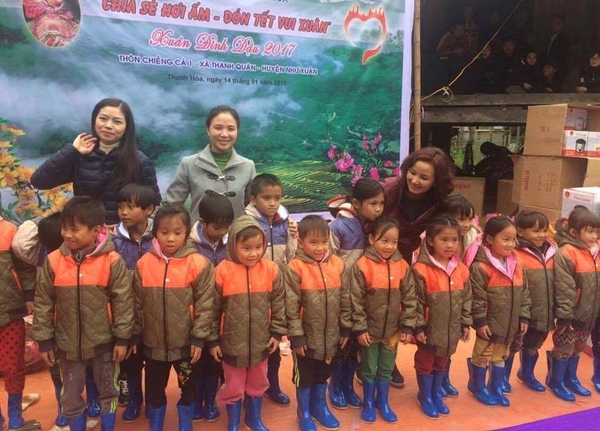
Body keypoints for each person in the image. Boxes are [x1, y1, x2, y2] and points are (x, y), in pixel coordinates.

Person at [32, 196, 134, 431]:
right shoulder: (53, 261)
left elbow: (123, 302)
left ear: (96, 230)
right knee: (70, 395)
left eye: (74, 229)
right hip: (67, 347)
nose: (67, 234)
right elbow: (43, 302)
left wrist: (122, 339)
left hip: (104, 345)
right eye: (64, 228)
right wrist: (45, 341)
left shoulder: (112, 261)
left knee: (108, 391)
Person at [12, 212, 101, 431]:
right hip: (56, 327)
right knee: (56, 369)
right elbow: (20, 243)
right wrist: (45, 217)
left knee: (90, 365)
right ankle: (63, 408)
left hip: (85, 325)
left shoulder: (86, 258)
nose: (68, 236)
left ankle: (93, 400)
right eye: (64, 230)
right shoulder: (42, 257)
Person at [133, 204, 214, 431]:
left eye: (177, 233)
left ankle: (185, 423)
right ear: (155, 232)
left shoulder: (199, 264)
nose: (170, 238)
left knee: (188, 387)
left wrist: (198, 338)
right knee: (154, 389)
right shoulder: (143, 264)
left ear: (187, 232)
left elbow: (206, 305)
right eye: (164, 232)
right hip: (153, 346)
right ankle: (156, 424)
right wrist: (135, 335)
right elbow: (136, 303)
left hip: (187, 348)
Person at [208, 215, 286, 431]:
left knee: (258, 382)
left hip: (262, 343)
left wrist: (277, 333)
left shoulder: (271, 269)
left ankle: (253, 418)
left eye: (258, 247)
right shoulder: (222, 271)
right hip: (231, 344)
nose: (253, 253)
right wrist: (213, 341)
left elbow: (279, 304)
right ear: (233, 246)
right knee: (233, 385)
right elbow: (212, 310)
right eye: (246, 248)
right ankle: (233, 422)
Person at [30, 98, 160, 225]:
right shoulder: (80, 155)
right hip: (83, 230)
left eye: (117, 122)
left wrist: (122, 229)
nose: (108, 126)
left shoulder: (139, 161)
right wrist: (72, 151)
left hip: (121, 233)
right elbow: (39, 181)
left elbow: (153, 204)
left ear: (126, 127)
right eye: (103, 119)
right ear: (94, 120)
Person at [285, 215, 352, 431]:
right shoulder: (295, 268)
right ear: (300, 241)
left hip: (331, 336)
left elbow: (345, 299)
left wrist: (345, 328)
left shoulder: (338, 265)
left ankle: (320, 407)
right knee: (305, 377)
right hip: (305, 338)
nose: (320, 247)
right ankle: (304, 412)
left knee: (323, 374)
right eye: (313, 242)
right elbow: (291, 307)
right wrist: (296, 336)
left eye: (324, 241)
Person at [350, 216, 416, 424]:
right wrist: (360, 329)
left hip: (393, 332)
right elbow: (355, 301)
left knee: (386, 368)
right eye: (384, 240)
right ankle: (369, 402)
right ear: (371, 239)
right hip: (369, 332)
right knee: (368, 368)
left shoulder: (402, 266)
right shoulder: (362, 266)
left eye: (394, 242)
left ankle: (383, 402)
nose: (389, 246)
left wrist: (407, 326)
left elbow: (410, 298)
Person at [326, 179, 384, 405]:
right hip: (342, 296)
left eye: (381, 203)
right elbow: (327, 262)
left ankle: (348, 385)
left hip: (363, 296)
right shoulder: (338, 227)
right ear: (357, 204)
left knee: (356, 345)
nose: (378, 209)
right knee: (341, 343)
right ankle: (335, 385)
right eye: (373, 204)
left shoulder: (373, 227)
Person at [410, 217, 471, 419]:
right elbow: (415, 302)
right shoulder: (420, 270)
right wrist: (418, 327)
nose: (450, 245)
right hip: (429, 330)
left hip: (450, 331)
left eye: (454, 240)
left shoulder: (461, 269)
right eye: (444, 240)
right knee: (425, 362)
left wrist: (465, 323)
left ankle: (436, 393)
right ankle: (425, 396)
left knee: (441, 363)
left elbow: (467, 299)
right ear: (430, 241)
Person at [468, 216, 530, 408]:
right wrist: (480, 322)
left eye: (513, 239)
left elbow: (524, 293)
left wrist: (524, 315)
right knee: (482, 357)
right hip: (488, 327)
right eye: (505, 239)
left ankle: (495, 387)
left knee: (501, 357)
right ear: (489, 239)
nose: (511, 244)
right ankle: (477, 386)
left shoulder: (517, 263)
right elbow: (476, 298)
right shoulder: (480, 267)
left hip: (509, 326)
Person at [245, 173, 296, 407]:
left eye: (277, 198)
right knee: (253, 343)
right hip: (253, 294)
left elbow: (292, 254)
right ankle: (247, 388)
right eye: (266, 198)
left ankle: (272, 385)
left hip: (278, 292)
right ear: (253, 199)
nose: (273, 203)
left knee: (275, 339)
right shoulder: (246, 223)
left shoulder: (285, 221)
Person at [112, 184, 156, 423]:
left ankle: (153, 400)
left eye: (130, 207)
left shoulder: (160, 235)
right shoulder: (114, 241)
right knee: (131, 362)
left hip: (155, 311)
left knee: (155, 362)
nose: (124, 212)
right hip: (127, 313)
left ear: (149, 209)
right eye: (120, 206)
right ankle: (135, 399)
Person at [189, 192, 234, 423]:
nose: (223, 231)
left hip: (222, 314)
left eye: (227, 227)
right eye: (217, 227)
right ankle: (196, 401)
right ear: (203, 223)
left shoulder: (232, 243)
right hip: (196, 314)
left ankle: (210, 400)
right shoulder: (189, 245)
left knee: (216, 360)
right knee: (197, 361)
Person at [166, 105, 256, 220]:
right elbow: (171, 206)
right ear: (208, 130)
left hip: (236, 231)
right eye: (218, 128)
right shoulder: (188, 164)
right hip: (198, 231)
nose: (224, 134)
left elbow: (253, 208)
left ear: (237, 131)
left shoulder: (248, 166)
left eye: (231, 129)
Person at [549, 207, 600, 402]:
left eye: (597, 232)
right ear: (573, 232)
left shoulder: (594, 252)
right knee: (564, 348)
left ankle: (570, 378)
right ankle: (556, 380)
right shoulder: (566, 253)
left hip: (588, 315)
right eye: (590, 231)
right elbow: (564, 288)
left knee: (578, 347)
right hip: (571, 316)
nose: (594, 236)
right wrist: (564, 316)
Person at [432, 194, 481, 397]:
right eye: (461, 219)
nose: (467, 224)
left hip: (459, 293)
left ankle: (444, 378)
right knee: (436, 343)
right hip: (439, 296)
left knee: (452, 340)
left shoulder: (473, 239)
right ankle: (433, 383)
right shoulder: (433, 241)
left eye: (469, 219)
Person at [0, 215, 41, 431]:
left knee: (13, 365)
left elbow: (25, 268)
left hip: (11, 311)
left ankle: (15, 413)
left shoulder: (8, 230)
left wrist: (29, 295)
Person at [382, 147, 455, 262]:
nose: (414, 180)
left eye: (424, 178)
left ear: (436, 181)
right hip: (376, 253)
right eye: (412, 173)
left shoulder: (438, 202)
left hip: (405, 256)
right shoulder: (386, 190)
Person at [510, 210, 555, 393]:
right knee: (512, 345)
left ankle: (526, 373)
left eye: (544, 230)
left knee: (533, 345)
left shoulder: (552, 250)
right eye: (536, 231)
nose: (542, 235)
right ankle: (501, 380)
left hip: (544, 311)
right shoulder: (514, 253)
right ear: (520, 231)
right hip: (521, 313)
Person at [544, 14, 570, 84]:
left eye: (558, 23)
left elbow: (560, 55)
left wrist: (552, 68)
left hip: (558, 69)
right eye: (553, 23)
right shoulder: (550, 37)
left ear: (563, 25)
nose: (554, 25)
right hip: (549, 69)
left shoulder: (564, 38)